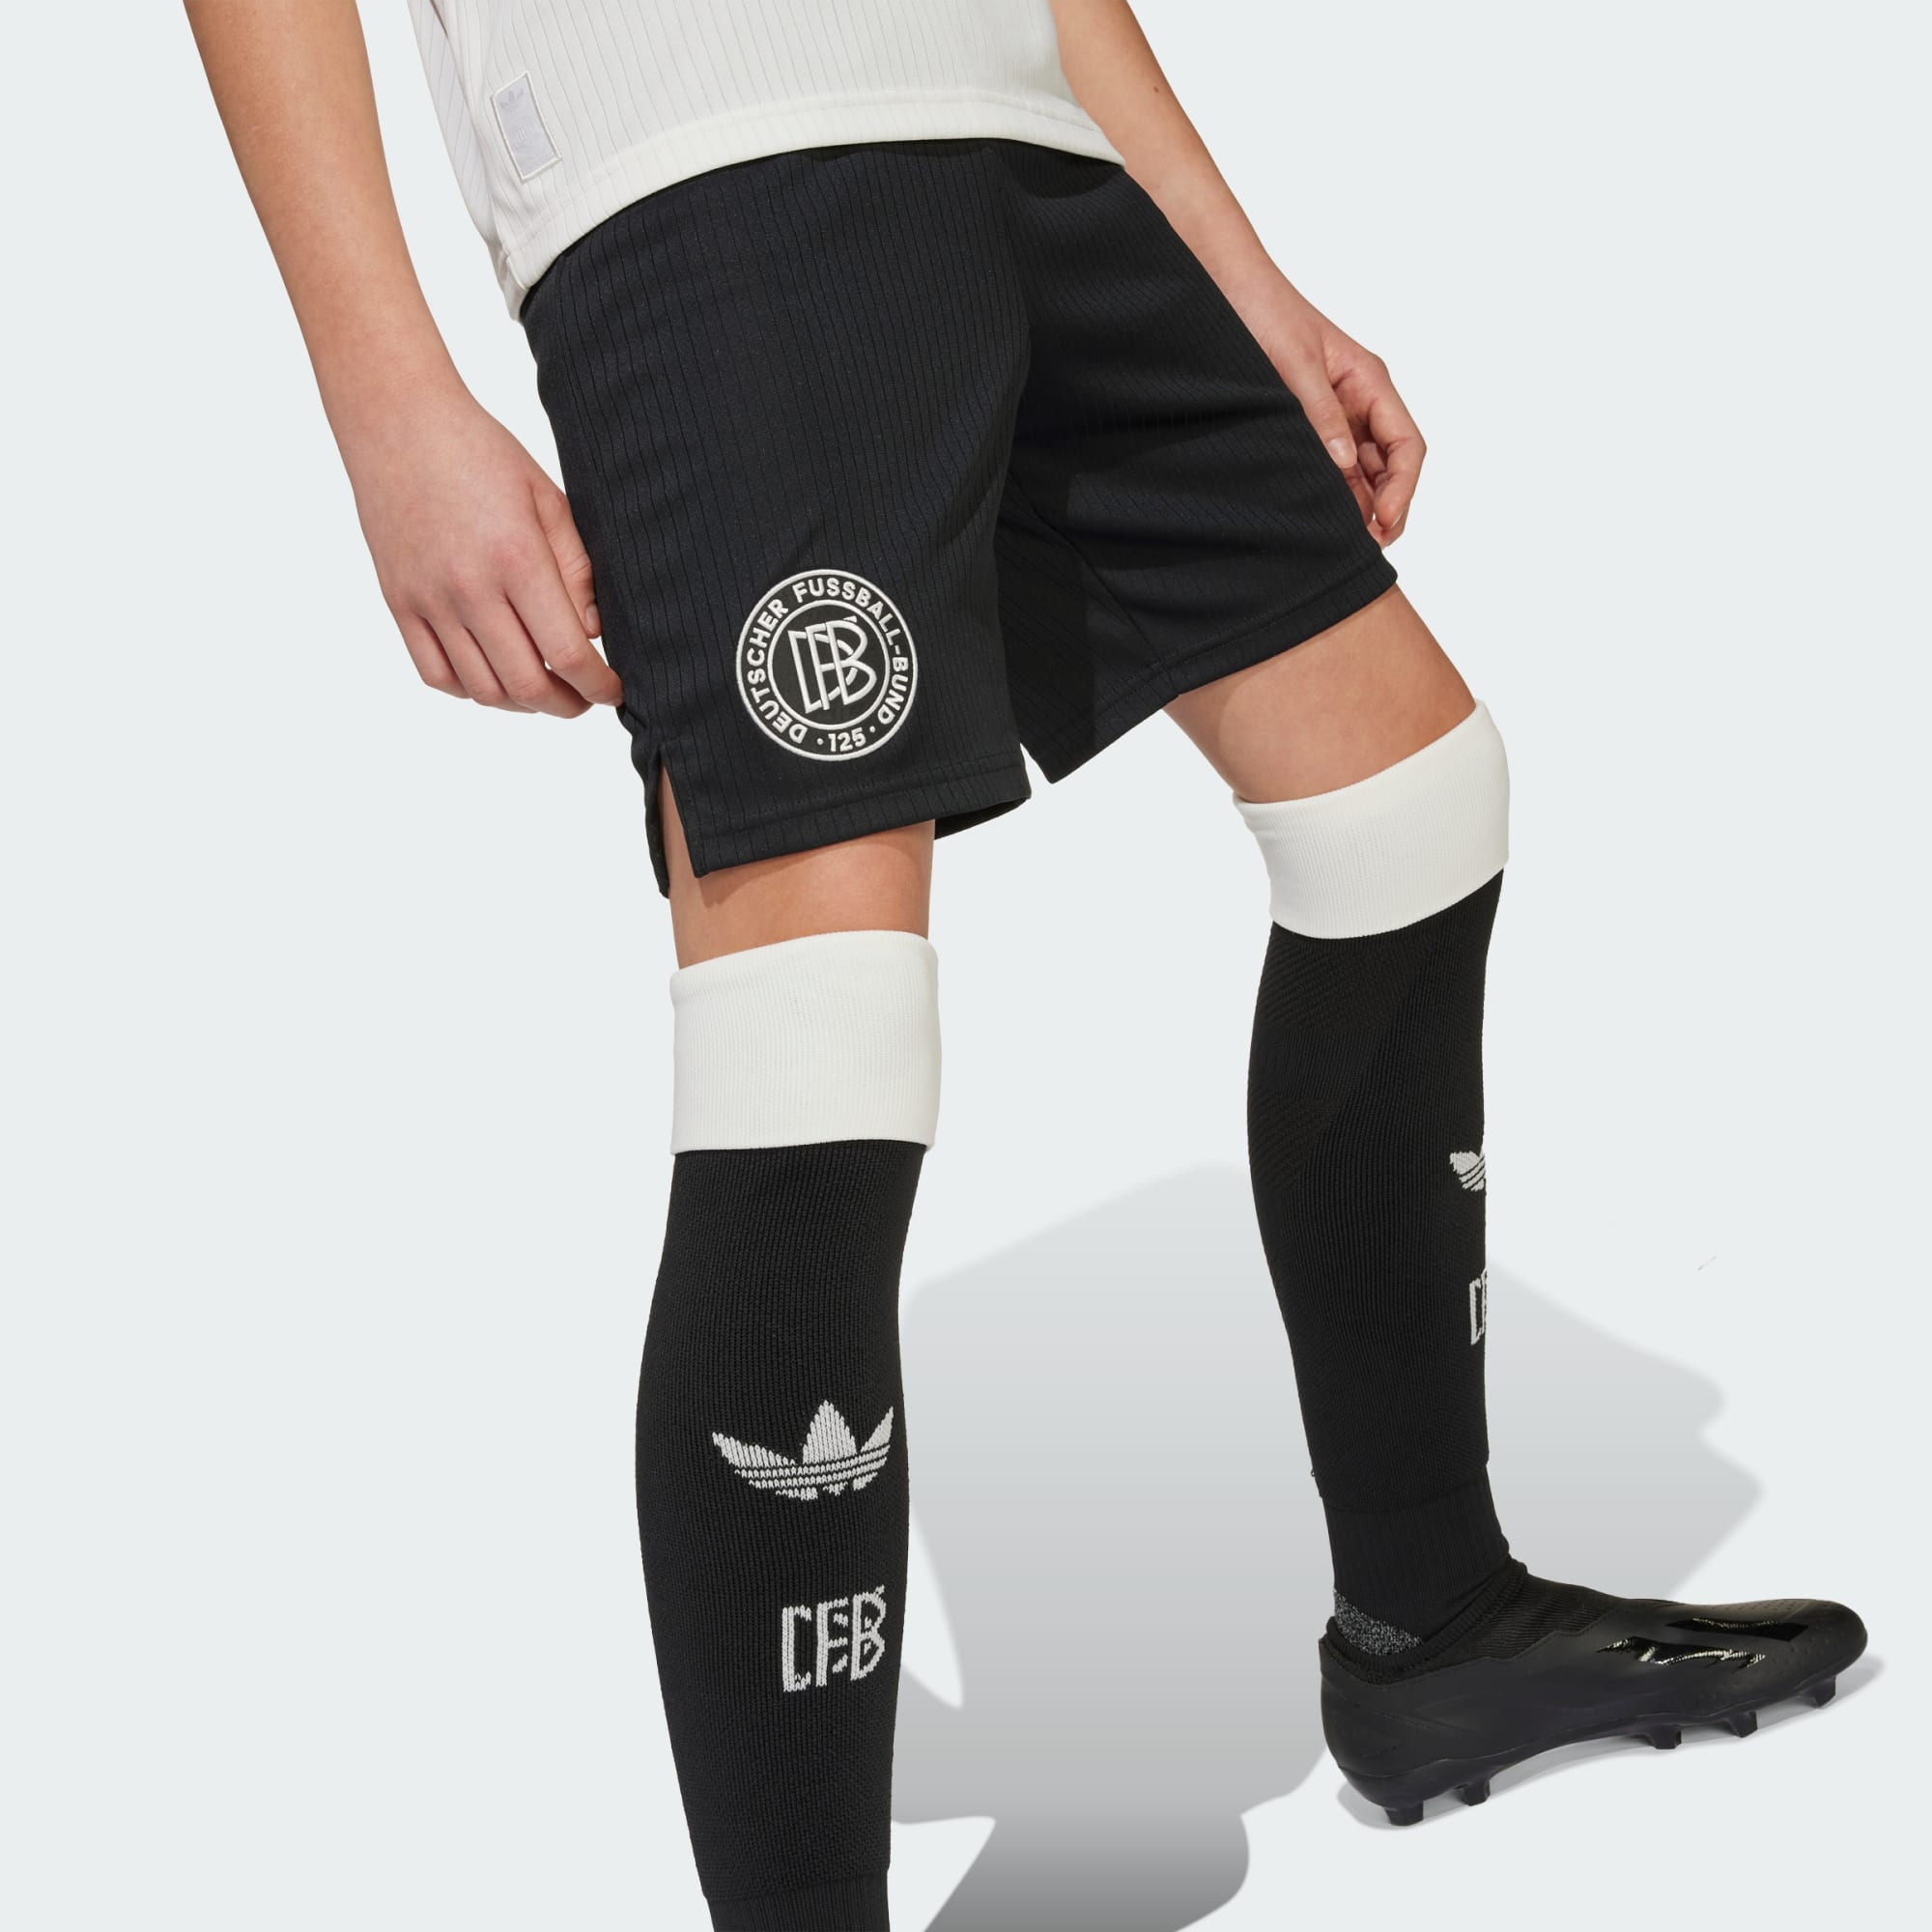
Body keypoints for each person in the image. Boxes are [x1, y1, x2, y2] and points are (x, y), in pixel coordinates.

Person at [185, 2, 1865, 1923]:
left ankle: (1433, 1627)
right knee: (817, 1027)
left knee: (1408, 807)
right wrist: (385, 396)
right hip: (714, 182)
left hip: (1028, 140)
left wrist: (1241, 280)